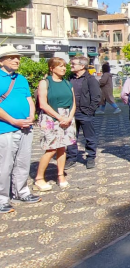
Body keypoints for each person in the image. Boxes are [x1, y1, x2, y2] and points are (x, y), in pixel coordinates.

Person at [0, 46, 39, 213]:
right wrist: (13, 121)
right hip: (6, 128)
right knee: (5, 164)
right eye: (12, 57)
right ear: (2, 60)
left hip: (25, 127)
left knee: (23, 161)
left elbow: (29, 99)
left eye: (17, 57)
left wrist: (31, 116)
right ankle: (2, 199)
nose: (17, 60)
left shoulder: (21, 78)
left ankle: (21, 192)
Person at [34, 57, 76, 191]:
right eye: (60, 66)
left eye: (64, 66)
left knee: (62, 147)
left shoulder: (68, 83)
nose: (63, 68)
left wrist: (69, 116)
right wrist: (59, 117)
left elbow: (74, 102)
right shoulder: (45, 83)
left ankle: (60, 175)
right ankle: (39, 178)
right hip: (51, 118)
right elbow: (43, 104)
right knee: (51, 148)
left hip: (67, 117)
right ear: (52, 68)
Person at [66, 56, 101, 169]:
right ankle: (71, 158)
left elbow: (96, 97)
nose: (71, 66)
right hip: (71, 113)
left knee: (89, 137)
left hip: (85, 113)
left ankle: (90, 157)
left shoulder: (90, 80)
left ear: (82, 66)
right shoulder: (70, 78)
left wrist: (89, 111)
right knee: (71, 137)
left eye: (73, 64)